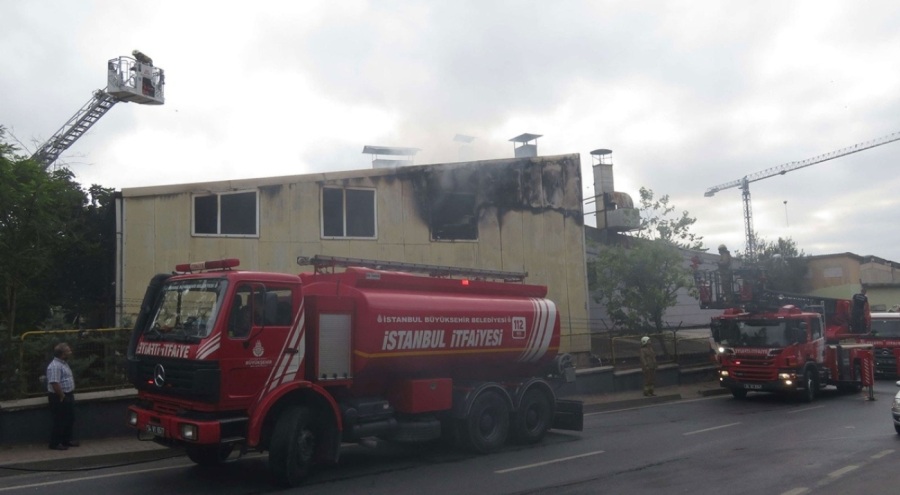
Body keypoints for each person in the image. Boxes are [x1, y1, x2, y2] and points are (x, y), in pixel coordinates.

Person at [46, 342, 78, 450]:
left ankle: (66, 440)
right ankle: (55, 443)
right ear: (62, 354)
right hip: (59, 396)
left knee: (69, 418)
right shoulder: (55, 366)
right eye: (68, 351)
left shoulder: (63, 363)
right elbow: (55, 383)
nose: (71, 352)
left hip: (67, 394)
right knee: (60, 420)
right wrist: (62, 396)